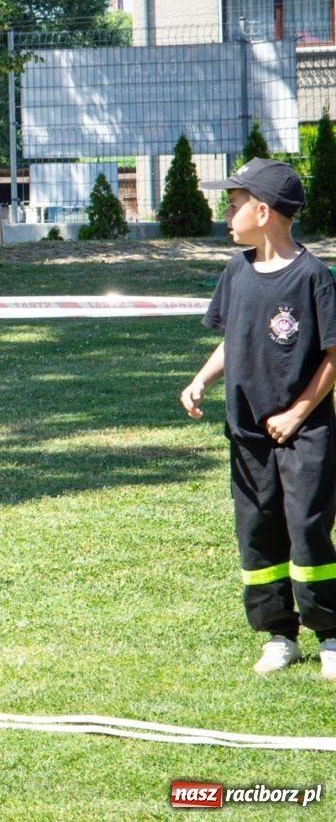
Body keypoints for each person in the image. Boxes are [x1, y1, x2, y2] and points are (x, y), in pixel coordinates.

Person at [181, 158, 336, 679]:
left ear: (263, 211)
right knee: (258, 532)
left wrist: (297, 412)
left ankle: (331, 635)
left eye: (233, 204)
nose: (226, 213)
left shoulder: (314, 277)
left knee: (307, 528)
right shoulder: (235, 271)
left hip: (304, 433)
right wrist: (202, 379)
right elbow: (232, 340)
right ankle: (278, 634)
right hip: (247, 432)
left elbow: (334, 356)